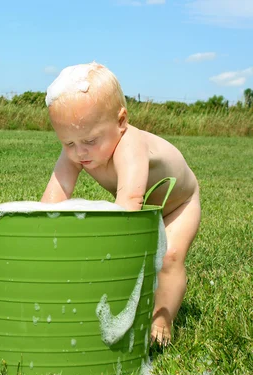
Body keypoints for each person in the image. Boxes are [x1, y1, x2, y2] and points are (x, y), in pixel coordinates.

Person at [41, 62, 201, 346]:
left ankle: (161, 322)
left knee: (168, 257)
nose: (79, 152)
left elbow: (130, 201)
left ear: (121, 121)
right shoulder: (77, 150)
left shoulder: (131, 145)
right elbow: (54, 198)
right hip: (147, 202)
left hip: (178, 203)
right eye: (68, 143)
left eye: (89, 140)